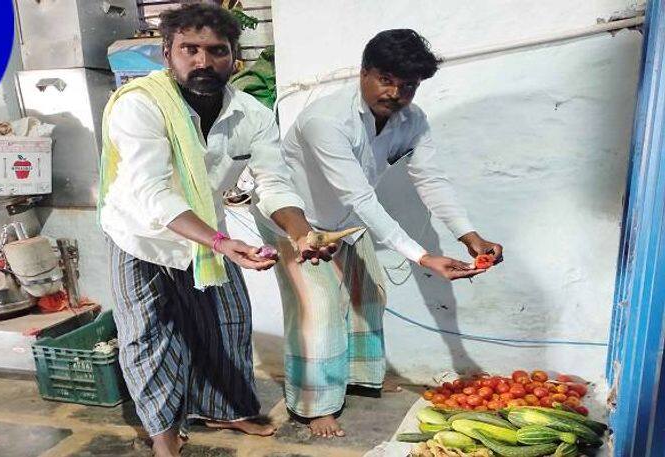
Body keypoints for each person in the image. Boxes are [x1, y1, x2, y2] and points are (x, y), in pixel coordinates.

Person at [97, 4, 334, 456]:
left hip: (206, 238)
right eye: (190, 49)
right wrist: (225, 243)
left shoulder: (252, 114)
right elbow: (151, 194)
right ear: (167, 54)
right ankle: (164, 434)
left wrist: (302, 233)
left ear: (234, 58)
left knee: (229, 322)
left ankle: (225, 408)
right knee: (148, 336)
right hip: (140, 236)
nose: (203, 62)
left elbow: (272, 182)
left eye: (216, 51)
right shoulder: (140, 107)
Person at [256, 29, 503, 438]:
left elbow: (432, 180)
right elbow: (361, 196)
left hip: (347, 220)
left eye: (408, 85)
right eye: (386, 79)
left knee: (368, 296)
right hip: (299, 220)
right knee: (317, 310)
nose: (396, 92)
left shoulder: (413, 120)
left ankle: (356, 378)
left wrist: (468, 236)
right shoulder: (327, 121)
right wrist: (423, 257)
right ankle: (316, 404)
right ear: (364, 72)